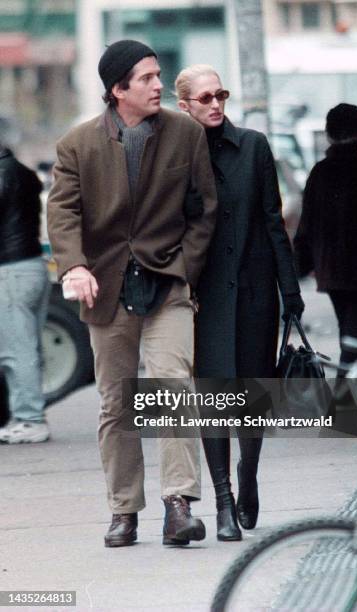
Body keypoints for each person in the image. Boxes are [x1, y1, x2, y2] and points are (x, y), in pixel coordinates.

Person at [47, 41, 217, 547]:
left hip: (167, 280)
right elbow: (62, 212)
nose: (159, 85)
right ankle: (124, 510)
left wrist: (185, 267)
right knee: (117, 402)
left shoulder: (185, 134)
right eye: (146, 78)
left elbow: (204, 209)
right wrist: (74, 264)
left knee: (172, 385)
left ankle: (179, 504)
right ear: (117, 89)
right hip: (107, 283)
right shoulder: (77, 144)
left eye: (159, 75)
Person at [175, 65, 304, 541]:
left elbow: (273, 221)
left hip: (255, 291)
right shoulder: (177, 156)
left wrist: (290, 294)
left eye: (220, 95)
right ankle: (224, 500)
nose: (215, 104)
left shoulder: (253, 146)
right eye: (204, 97)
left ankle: (248, 472)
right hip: (204, 295)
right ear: (184, 105)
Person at [294, 103, 357, 402]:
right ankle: (342, 405)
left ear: (328, 134)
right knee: (352, 338)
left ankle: (344, 402)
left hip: (332, 272)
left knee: (348, 333)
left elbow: (306, 226)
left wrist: (297, 270)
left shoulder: (320, 173)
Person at [0, 144, 50, 444]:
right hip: (30, 266)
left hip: (11, 271)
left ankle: (30, 418)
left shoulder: (4, 176)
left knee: (17, 351)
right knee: (27, 348)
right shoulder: (21, 171)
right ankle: (25, 417)